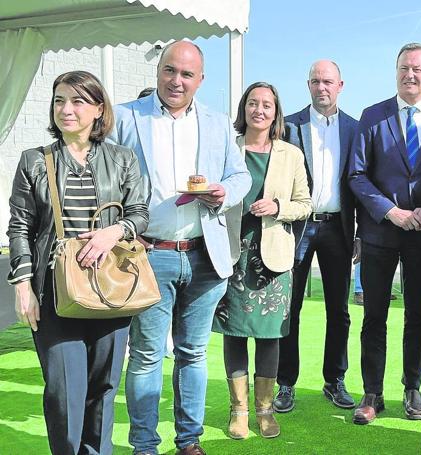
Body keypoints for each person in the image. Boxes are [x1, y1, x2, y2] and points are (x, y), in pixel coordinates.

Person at [110, 41, 251, 455]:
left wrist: (224, 192)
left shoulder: (218, 123)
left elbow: (239, 176)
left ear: (200, 80)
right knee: (148, 355)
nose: (177, 81)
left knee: (193, 353)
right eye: (170, 70)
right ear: (159, 72)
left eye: (187, 74)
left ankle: (189, 442)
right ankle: (144, 446)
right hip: (148, 254)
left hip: (204, 254)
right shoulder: (125, 117)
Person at [8, 70, 148, 455]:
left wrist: (113, 232)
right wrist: (22, 285)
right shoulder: (34, 160)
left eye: (77, 101)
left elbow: (139, 213)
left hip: (112, 289)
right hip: (54, 292)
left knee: (103, 391)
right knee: (63, 393)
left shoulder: (123, 159)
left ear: (99, 109)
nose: (66, 109)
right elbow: (20, 225)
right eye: (59, 101)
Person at [348, 42, 421, 425]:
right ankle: (372, 394)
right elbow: (356, 175)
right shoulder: (372, 116)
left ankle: (413, 388)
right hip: (380, 232)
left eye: (417, 69)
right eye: (403, 68)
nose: (410, 74)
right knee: (374, 316)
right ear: (395, 72)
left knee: (417, 316)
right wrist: (390, 211)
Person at [213, 81, 311, 439]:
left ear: (276, 112)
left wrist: (278, 207)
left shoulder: (291, 154)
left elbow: (305, 204)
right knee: (234, 333)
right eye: (253, 103)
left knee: (270, 335)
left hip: (274, 256)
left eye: (267, 105)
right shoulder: (228, 147)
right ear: (244, 110)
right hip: (232, 254)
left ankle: (265, 410)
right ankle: (238, 410)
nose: (259, 110)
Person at [273, 60, 358, 413]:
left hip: (338, 228)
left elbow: (360, 182)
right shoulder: (290, 126)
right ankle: (285, 383)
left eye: (328, 81)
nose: (322, 87)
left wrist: (360, 234)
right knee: (288, 307)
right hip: (298, 227)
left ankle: (334, 379)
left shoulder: (356, 128)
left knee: (338, 309)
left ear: (341, 85)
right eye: (316, 81)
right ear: (308, 85)